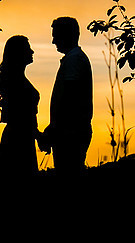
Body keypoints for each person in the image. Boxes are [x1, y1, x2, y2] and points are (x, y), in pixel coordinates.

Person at [39, 16, 92, 174]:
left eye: (56, 36)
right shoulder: (73, 59)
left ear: (67, 35)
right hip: (68, 131)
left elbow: (69, 98)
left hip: (70, 134)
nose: (53, 41)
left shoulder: (74, 60)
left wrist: (53, 130)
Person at [0, 35, 40, 180]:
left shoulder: (17, 79)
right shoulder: (16, 82)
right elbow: (22, 117)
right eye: (28, 49)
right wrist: (39, 136)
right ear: (19, 53)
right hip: (19, 140)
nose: (32, 52)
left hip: (22, 137)